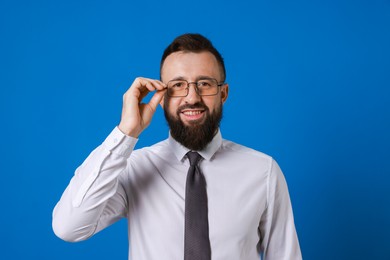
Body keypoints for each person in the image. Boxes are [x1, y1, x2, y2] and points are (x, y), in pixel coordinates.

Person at [52, 33, 302, 260]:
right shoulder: (134, 168)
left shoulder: (263, 171)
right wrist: (126, 132)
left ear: (223, 93)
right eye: (178, 85)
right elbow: (69, 227)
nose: (192, 97)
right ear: (161, 97)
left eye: (204, 83)